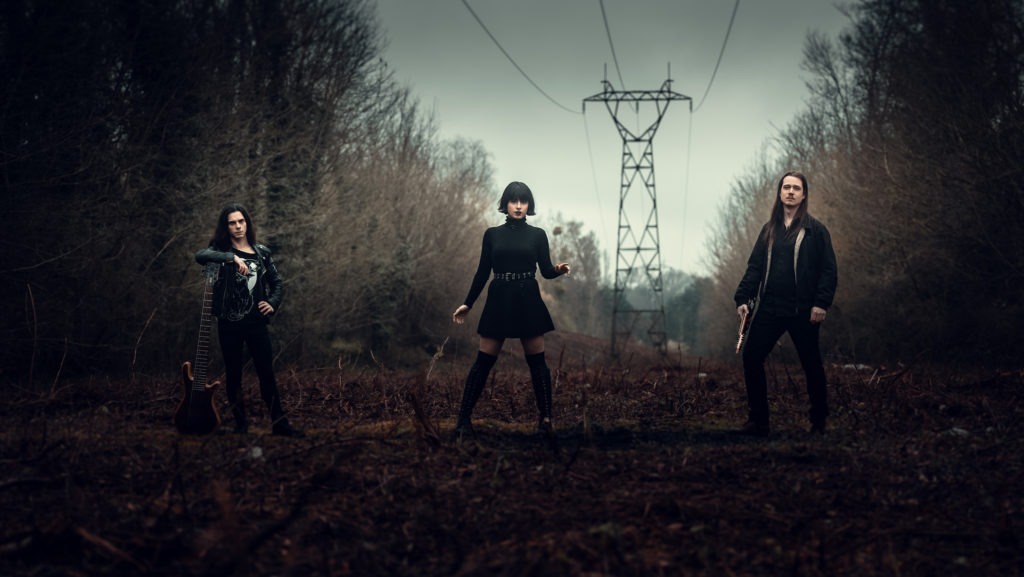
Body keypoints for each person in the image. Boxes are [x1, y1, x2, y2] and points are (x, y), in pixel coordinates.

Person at [452, 181, 571, 438]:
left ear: (529, 205)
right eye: (514, 201)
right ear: (505, 204)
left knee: (538, 364)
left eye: (523, 201)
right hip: (499, 299)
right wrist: (467, 303)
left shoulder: (538, 235)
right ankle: (463, 421)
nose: (518, 206)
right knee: (482, 363)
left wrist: (557, 270)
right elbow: (482, 272)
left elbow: (545, 271)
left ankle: (546, 420)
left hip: (528, 299)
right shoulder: (492, 235)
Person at [734, 171, 837, 436]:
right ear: (780, 193)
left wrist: (821, 303)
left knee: (811, 364)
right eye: (786, 187)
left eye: (796, 188)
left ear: (804, 195)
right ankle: (758, 421)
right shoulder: (768, 230)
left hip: (803, 309)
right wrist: (742, 298)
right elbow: (754, 267)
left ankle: (819, 422)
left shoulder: (816, 231)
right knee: (751, 356)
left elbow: (828, 270)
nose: (791, 192)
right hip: (770, 307)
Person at [195, 202, 304, 438]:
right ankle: (241, 426)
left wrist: (272, 302)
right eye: (232, 223)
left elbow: (277, 283)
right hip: (229, 324)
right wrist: (232, 258)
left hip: (257, 323)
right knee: (234, 376)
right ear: (226, 227)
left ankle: (280, 424)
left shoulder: (262, 252)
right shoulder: (219, 252)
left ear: (247, 223)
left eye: (241, 221)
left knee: (267, 375)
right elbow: (200, 255)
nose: (237, 226)